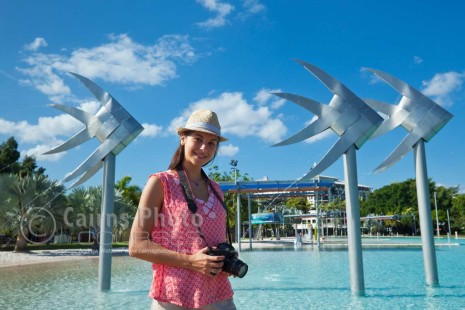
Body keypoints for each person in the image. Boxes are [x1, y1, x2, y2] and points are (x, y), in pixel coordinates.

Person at [129, 109, 236, 310]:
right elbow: (136, 245)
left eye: (212, 143)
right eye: (198, 139)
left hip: (218, 295)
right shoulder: (161, 183)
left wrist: (227, 257)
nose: (204, 148)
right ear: (183, 138)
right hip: (174, 297)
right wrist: (191, 261)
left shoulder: (216, 189)